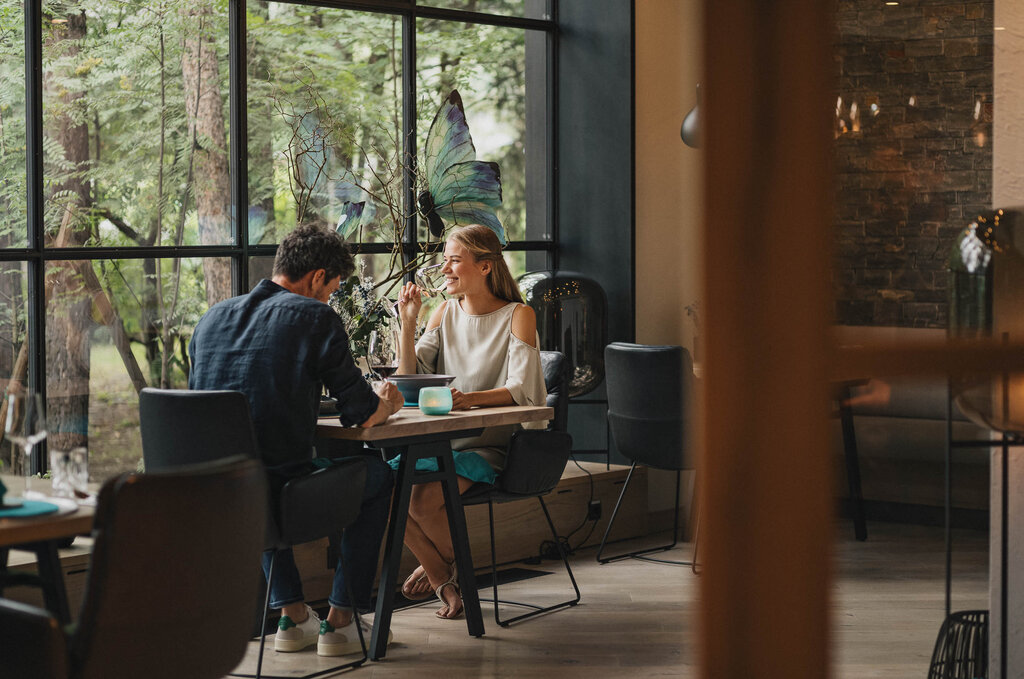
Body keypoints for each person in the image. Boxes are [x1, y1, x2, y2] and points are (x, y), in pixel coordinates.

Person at [189, 224, 404, 657]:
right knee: (380, 475)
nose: (329, 300)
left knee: (257, 470)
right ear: (317, 277)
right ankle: (342, 622)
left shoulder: (213, 317)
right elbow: (361, 413)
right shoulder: (314, 316)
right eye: (331, 290)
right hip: (282, 498)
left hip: (213, 497)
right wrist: (388, 403)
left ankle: (293, 616)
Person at [394, 224, 548, 619]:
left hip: (489, 445)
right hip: (441, 441)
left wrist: (467, 401)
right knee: (384, 491)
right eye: (443, 259)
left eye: (454, 260)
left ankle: (443, 574)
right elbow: (409, 377)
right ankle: (443, 571)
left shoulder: (519, 315)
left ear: (484, 267)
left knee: (424, 500)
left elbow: (521, 389)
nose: (444, 267)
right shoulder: (443, 312)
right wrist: (408, 322)